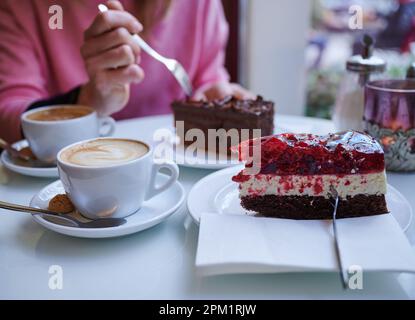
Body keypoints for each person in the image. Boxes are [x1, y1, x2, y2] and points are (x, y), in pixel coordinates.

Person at [0, 0, 253, 143]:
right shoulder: (20, 7)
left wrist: (212, 99)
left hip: (174, 169)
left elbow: (206, 77)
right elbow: (8, 119)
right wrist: (84, 104)